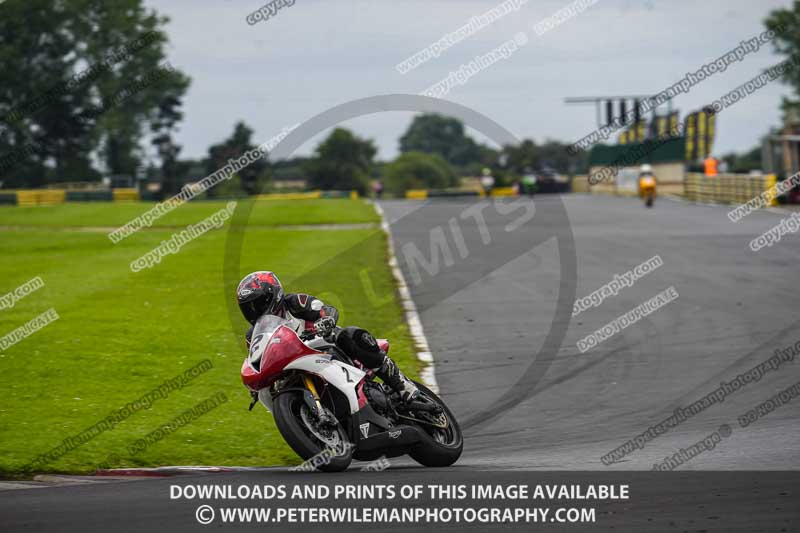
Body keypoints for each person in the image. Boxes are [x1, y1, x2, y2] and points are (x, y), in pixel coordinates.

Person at [236, 271, 419, 402]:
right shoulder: (253, 334)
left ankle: (402, 384)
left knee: (350, 335)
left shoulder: (294, 302)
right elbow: (258, 360)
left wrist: (324, 321)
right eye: (248, 308)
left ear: (273, 295)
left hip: (324, 346)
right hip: (293, 366)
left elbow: (326, 310)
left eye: (259, 303)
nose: (254, 311)